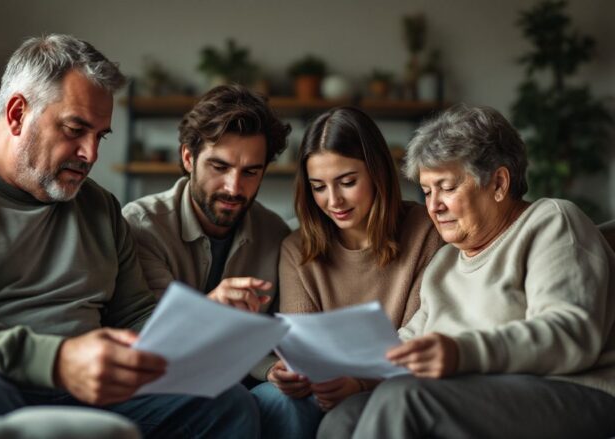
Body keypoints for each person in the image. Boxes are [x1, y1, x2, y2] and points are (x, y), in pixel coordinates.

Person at [0, 34, 258, 438]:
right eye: (75, 129)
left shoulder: (100, 208)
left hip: (85, 391)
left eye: (100, 136)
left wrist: (202, 327)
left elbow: (135, 318)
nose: (91, 154)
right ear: (16, 114)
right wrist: (57, 360)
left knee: (225, 403)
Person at [319, 104, 615, 438]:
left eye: (446, 187)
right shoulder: (444, 264)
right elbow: (412, 342)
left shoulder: (551, 222)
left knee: (404, 398)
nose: (434, 206)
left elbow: (569, 334)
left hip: (574, 391)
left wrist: (462, 353)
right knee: (344, 418)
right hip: (482, 394)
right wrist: (354, 375)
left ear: (499, 183)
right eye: (427, 191)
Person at [251, 106, 443, 439]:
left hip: (398, 383)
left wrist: (360, 382)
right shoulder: (298, 249)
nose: (334, 200)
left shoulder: (427, 232)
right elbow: (305, 350)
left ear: (378, 173)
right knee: (279, 402)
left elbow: (420, 339)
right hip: (322, 388)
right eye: (318, 187)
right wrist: (288, 373)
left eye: (348, 182)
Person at [122, 85, 291, 317]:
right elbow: (146, 330)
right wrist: (211, 308)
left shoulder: (276, 235)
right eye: (220, 167)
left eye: (250, 172)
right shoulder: (142, 226)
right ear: (189, 158)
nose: (233, 188)